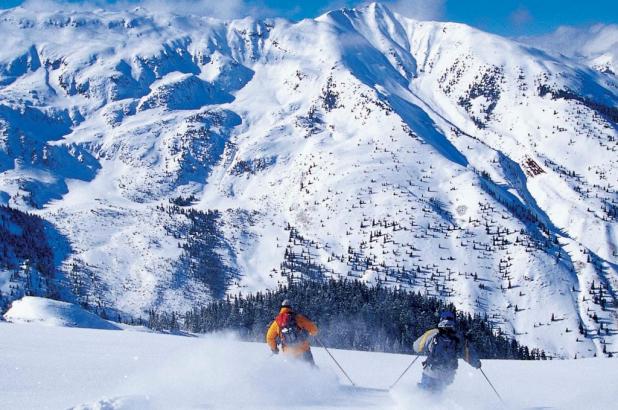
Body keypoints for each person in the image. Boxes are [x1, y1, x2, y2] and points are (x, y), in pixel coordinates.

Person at [413, 310, 481, 393]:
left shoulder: (433, 334)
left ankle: (418, 401)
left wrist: (425, 346)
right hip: (448, 375)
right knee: (438, 394)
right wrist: (476, 363)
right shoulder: (459, 337)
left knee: (424, 392)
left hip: (431, 371)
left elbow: (416, 347)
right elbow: (467, 354)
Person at [266, 299, 319, 365]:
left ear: (281, 308)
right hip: (303, 350)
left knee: (294, 373)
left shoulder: (276, 322)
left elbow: (269, 337)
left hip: (289, 353)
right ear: (291, 308)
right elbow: (314, 329)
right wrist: (312, 333)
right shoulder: (299, 318)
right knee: (312, 370)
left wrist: (274, 348)